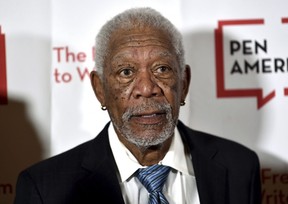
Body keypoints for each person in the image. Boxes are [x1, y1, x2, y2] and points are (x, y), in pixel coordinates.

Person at [14, 7, 261, 204]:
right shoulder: (45, 190)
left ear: (183, 83)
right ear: (100, 89)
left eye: (162, 69)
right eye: (126, 72)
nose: (146, 88)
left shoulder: (239, 166)